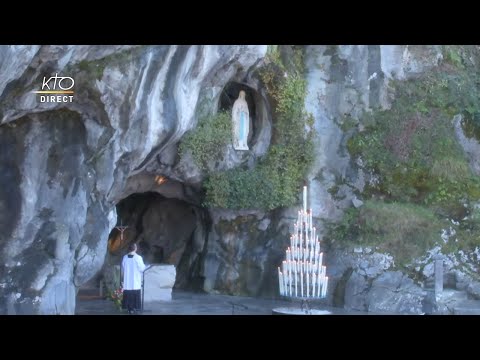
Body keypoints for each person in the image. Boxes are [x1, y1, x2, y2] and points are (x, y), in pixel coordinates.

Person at [121, 243, 146, 314]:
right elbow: (142, 268)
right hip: (135, 279)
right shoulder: (138, 257)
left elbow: (123, 266)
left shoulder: (125, 257)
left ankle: (129, 309)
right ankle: (135, 308)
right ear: (135, 248)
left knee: (128, 293)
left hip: (127, 279)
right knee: (135, 292)